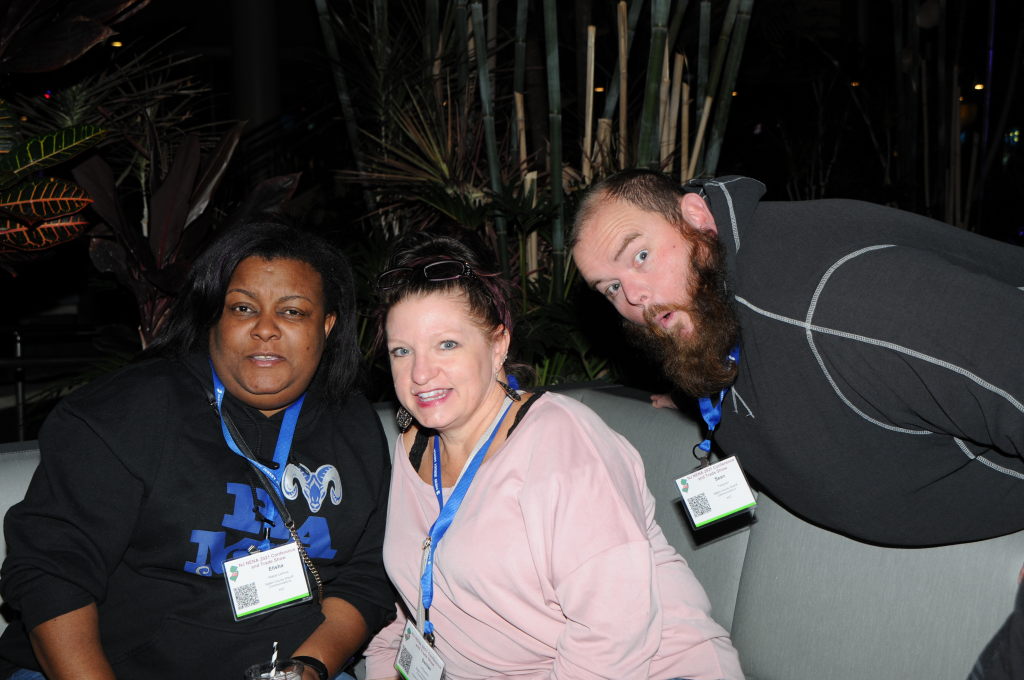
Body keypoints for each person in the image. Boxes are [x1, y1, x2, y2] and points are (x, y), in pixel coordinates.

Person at [0, 221, 394, 680]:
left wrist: (307, 668)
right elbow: (52, 572)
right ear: (213, 317)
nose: (265, 329)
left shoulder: (352, 424)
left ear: (326, 325)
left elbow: (366, 575)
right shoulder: (126, 412)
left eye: (292, 312)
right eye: (243, 308)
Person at [571, 169, 1024, 549]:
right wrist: (697, 390)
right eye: (611, 287)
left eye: (641, 255)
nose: (633, 296)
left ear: (696, 215)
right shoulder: (711, 303)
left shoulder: (838, 303)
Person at [362, 231, 743, 680]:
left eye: (447, 344)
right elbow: (413, 593)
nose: (421, 373)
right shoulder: (413, 444)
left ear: (498, 345)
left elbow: (613, 635)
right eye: (402, 351)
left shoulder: (562, 443)